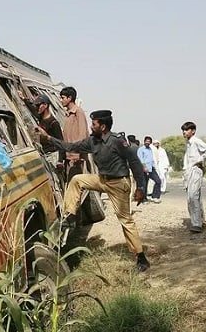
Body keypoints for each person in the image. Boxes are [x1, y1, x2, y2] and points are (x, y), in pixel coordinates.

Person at [36, 110, 150, 272]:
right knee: (77, 180)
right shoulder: (92, 141)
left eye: (94, 124)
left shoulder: (117, 141)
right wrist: (48, 138)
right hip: (102, 180)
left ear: (103, 126)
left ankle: (141, 258)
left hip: (119, 184)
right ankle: (69, 215)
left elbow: (134, 162)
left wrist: (140, 187)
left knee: (125, 220)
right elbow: (71, 146)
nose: (91, 126)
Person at [181, 122, 206, 233]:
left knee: (193, 196)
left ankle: (197, 224)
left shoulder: (196, 141)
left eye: (187, 130)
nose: (184, 132)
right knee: (195, 197)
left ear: (193, 131)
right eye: (183, 130)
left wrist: (200, 159)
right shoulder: (188, 143)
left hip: (196, 171)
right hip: (189, 171)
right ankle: (200, 221)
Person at [59, 86, 90, 172]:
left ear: (70, 98)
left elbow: (83, 134)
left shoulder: (78, 112)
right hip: (69, 155)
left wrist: (78, 155)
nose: (61, 100)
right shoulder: (68, 114)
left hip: (76, 157)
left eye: (62, 98)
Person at [137, 136, 162, 203]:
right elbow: (140, 159)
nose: (147, 142)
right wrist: (144, 167)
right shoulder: (141, 149)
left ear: (150, 142)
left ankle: (155, 196)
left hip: (151, 168)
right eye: (146, 141)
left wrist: (154, 167)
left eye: (149, 141)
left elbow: (151, 159)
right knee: (144, 184)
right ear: (144, 141)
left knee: (158, 181)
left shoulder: (150, 149)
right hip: (144, 169)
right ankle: (143, 199)